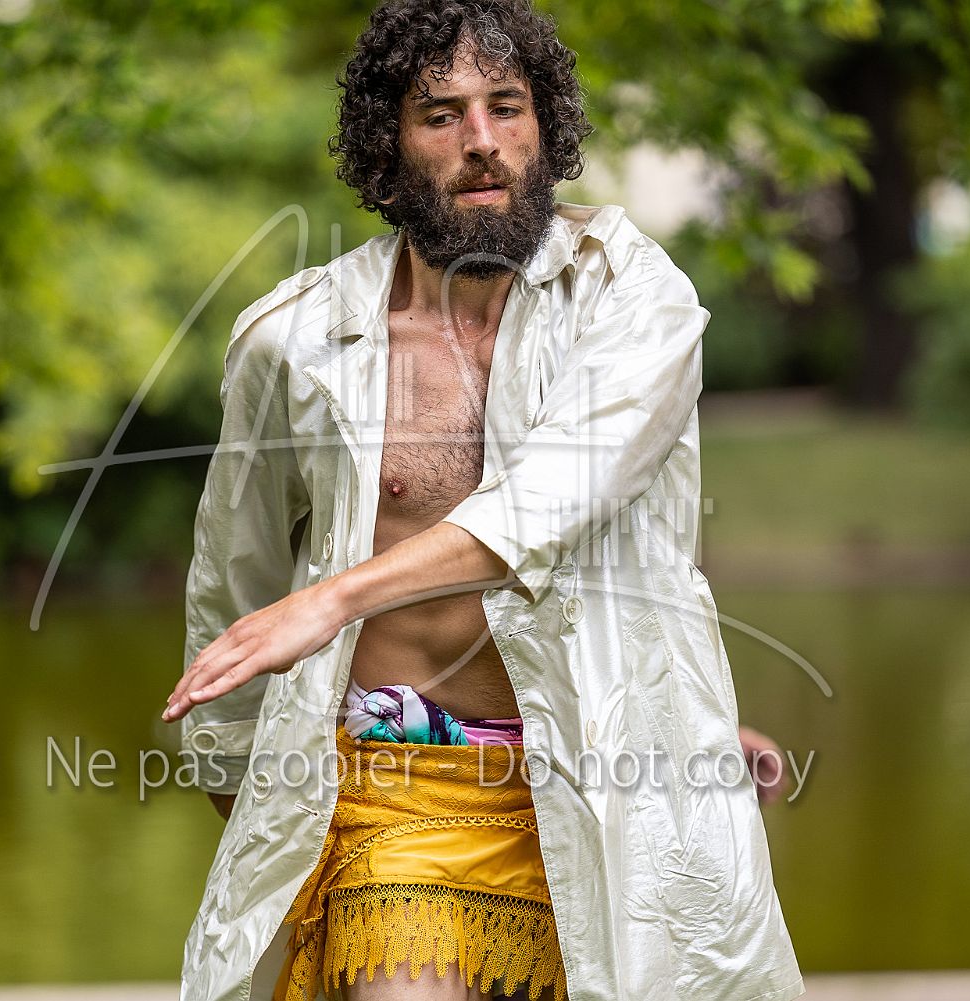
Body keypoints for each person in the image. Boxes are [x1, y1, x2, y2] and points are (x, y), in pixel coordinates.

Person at [161, 2, 804, 999]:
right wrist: (248, 790)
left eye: (507, 106)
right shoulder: (293, 341)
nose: (482, 141)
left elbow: (556, 499)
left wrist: (691, 727)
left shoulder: (635, 296)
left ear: (546, 128)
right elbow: (233, 581)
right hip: (397, 792)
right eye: (441, 114)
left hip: (610, 788)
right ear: (386, 148)